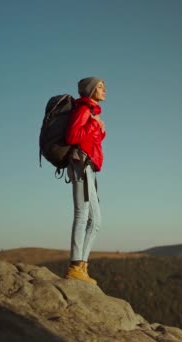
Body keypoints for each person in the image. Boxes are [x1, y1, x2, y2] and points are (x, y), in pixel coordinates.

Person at [64, 77, 106, 284]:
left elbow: (90, 140)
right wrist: (93, 125)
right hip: (81, 165)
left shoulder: (91, 113)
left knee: (96, 221)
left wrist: (99, 129)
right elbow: (72, 137)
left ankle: (83, 266)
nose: (104, 90)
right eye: (100, 86)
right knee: (82, 215)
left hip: (89, 167)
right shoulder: (83, 110)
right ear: (90, 90)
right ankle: (75, 266)